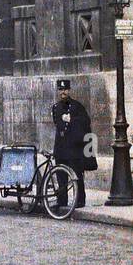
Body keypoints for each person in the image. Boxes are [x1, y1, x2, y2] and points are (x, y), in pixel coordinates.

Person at [51, 79, 92, 208]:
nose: (63, 92)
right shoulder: (56, 107)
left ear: (69, 90)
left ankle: (80, 200)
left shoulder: (77, 107)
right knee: (61, 176)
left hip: (73, 148)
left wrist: (72, 120)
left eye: (65, 89)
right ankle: (62, 200)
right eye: (60, 90)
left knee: (77, 174)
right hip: (61, 147)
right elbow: (58, 125)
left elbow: (86, 123)